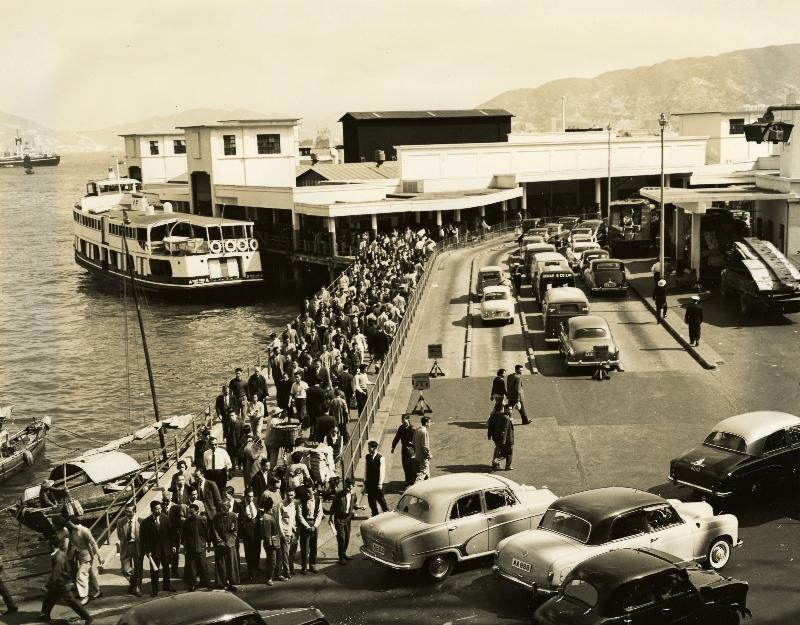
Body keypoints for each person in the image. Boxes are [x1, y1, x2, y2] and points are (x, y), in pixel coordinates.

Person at [39, 536, 93, 624]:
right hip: (61, 582)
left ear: (52, 546)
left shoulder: (58, 558)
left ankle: (87, 617)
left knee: (71, 602)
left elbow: (56, 573)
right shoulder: (60, 554)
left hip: (62, 583)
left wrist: (47, 585)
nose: (47, 547)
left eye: (48, 545)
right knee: (48, 598)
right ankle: (45, 614)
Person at [65, 516, 101, 605]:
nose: (68, 525)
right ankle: (97, 590)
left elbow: (94, 543)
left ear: (73, 522)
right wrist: (70, 557)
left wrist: (99, 556)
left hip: (87, 555)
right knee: (90, 573)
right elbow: (74, 544)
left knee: (81, 575)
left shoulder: (84, 530)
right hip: (80, 555)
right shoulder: (73, 531)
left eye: (69, 523)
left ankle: (85, 596)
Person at [140, 500, 173, 597]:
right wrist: (147, 551)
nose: (159, 511)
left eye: (160, 508)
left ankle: (167, 586)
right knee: (155, 571)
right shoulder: (145, 522)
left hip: (165, 549)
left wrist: (172, 546)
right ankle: (155, 589)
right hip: (154, 551)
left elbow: (170, 533)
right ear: (152, 510)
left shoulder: (165, 518)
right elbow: (144, 538)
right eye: (157, 509)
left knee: (166, 568)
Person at [212, 496, 240, 591]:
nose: (223, 510)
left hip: (230, 544)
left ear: (228, 507)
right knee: (221, 563)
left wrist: (229, 543)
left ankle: (231, 582)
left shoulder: (233, 516)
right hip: (220, 544)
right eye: (221, 508)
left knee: (231, 564)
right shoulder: (216, 517)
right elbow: (214, 530)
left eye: (225, 507)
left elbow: (235, 531)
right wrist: (220, 541)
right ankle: (221, 583)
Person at [328, 478, 358, 565]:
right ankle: (341, 558)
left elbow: (354, 503)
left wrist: (359, 507)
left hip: (348, 518)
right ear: (345, 485)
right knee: (342, 539)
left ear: (353, 486)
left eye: (350, 486)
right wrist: (330, 517)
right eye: (347, 486)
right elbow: (333, 506)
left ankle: (344, 553)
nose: (348, 488)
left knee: (347, 538)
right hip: (339, 519)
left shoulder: (353, 494)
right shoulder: (339, 494)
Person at [182, 503, 211, 591]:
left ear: (197, 511)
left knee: (203, 565)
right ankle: (193, 584)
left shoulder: (202, 520)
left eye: (192, 512)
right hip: (191, 547)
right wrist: (184, 546)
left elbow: (207, 533)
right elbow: (184, 535)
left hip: (201, 546)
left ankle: (205, 582)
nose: (191, 515)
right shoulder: (186, 522)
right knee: (192, 567)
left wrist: (208, 543)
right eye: (190, 513)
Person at [116, 503, 143, 596]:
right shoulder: (120, 522)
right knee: (125, 569)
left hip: (137, 546)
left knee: (138, 568)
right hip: (126, 546)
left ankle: (137, 588)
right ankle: (133, 583)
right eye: (126, 511)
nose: (128, 514)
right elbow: (119, 536)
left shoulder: (140, 521)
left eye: (130, 512)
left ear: (135, 511)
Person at [295, 486, 323, 574]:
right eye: (306, 492)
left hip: (314, 523)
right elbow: (300, 515)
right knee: (305, 547)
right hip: (305, 524)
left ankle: (312, 565)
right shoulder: (301, 501)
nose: (307, 494)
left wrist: (315, 525)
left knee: (313, 546)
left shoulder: (318, 500)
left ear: (314, 491)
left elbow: (320, 513)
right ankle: (304, 567)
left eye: (309, 492)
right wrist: (307, 526)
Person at [238, 489, 261, 582]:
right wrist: (244, 526)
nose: (251, 498)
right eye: (249, 496)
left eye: (252, 496)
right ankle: (251, 569)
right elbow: (240, 519)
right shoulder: (241, 505)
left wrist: (260, 518)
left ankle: (256, 567)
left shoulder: (255, 501)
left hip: (256, 527)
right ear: (245, 495)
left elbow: (258, 511)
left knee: (257, 548)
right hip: (247, 528)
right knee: (249, 550)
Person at [260, 498, 282, 585]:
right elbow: (267, 533)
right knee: (272, 561)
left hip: (276, 541)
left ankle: (276, 575)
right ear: (271, 506)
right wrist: (270, 544)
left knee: (277, 559)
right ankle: (269, 578)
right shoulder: (267, 517)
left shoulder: (270, 514)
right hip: (271, 543)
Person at [364, 440, 389, 516]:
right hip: (369, 482)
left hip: (377, 483)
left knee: (380, 498)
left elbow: (382, 471)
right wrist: (365, 481)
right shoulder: (367, 457)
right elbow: (366, 469)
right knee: (371, 500)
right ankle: (375, 513)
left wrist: (380, 483)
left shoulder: (380, 458)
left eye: (369, 447)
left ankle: (386, 512)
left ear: (374, 448)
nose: (368, 449)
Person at [487, 403, 515, 471]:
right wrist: (503, 441)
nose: (511, 411)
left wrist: (489, 435)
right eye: (509, 409)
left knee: (499, 451)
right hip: (506, 439)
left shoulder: (495, 416)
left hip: (496, 437)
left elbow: (490, 426)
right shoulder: (505, 418)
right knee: (506, 453)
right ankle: (497, 463)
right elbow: (504, 430)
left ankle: (501, 464)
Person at [391, 413, 416, 486]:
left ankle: (412, 481)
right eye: (402, 421)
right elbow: (397, 437)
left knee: (411, 466)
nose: (403, 422)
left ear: (408, 419)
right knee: (405, 465)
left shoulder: (412, 429)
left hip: (411, 449)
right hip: (404, 449)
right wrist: (393, 447)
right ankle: (408, 481)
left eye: (404, 420)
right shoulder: (401, 428)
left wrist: (412, 446)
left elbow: (415, 440)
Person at [277, 490, 298, 578]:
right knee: (285, 553)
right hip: (285, 532)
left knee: (292, 552)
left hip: (294, 532)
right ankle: (287, 571)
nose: (290, 497)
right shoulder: (281, 504)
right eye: (288, 495)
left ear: (294, 495)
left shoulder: (295, 503)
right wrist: (282, 532)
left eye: (292, 495)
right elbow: (279, 520)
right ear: (285, 495)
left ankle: (291, 568)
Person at [413, 415, 432, 482]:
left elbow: (413, 442)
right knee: (423, 472)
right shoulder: (424, 432)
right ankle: (416, 484)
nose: (430, 424)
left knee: (426, 473)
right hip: (423, 457)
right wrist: (429, 454)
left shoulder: (417, 430)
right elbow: (424, 446)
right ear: (426, 423)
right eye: (429, 422)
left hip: (418, 455)